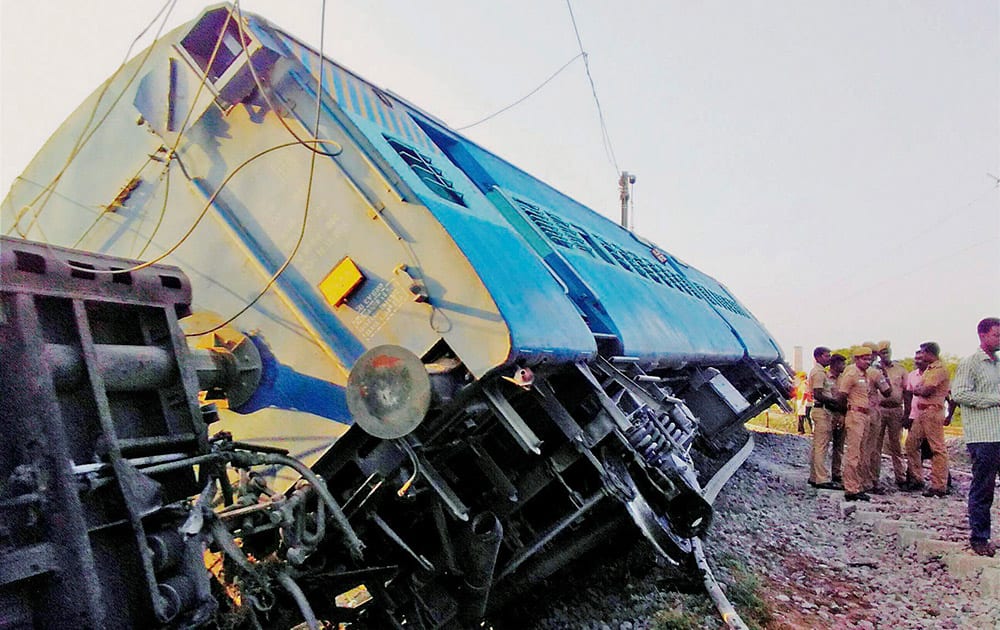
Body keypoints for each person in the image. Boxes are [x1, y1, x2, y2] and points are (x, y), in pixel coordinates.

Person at [951, 317, 1000, 557]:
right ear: (982, 335)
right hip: (983, 435)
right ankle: (979, 538)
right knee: (983, 488)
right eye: (996, 335)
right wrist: (993, 400)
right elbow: (959, 393)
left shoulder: (998, 364)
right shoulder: (970, 363)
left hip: (999, 433)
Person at [837, 346, 890, 501]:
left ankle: (857, 484)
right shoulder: (852, 373)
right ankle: (851, 488)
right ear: (856, 359)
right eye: (864, 359)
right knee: (853, 452)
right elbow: (842, 395)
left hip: (865, 415)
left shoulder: (866, 375)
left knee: (862, 451)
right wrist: (843, 415)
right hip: (855, 414)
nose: (868, 362)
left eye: (869, 359)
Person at [903, 342, 951, 497]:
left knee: (937, 448)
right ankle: (917, 478)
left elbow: (925, 390)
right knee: (911, 445)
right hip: (921, 412)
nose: (921, 356)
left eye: (923, 353)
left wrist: (919, 390)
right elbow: (918, 389)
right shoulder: (929, 370)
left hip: (932, 411)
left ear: (930, 353)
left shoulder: (939, 369)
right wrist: (919, 390)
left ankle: (939, 485)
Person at [873, 341, 909, 489]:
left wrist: (907, 412)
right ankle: (873, 478)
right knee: (876, 445)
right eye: (882, 352)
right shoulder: (874, 370)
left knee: (896, 445)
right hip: (879, 409)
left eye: (887, 352)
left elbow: (907, 392)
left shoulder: (901, 370)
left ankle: (901, 477)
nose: (885, 355)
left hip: (896, 409)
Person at [859, 341, 892, 494]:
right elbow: (887, 392)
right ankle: (870, 480)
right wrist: (886, 375)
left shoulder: (852, 370)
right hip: (872, 413)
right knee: (872, 448)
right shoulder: (875, 372)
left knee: (859, 448)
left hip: (857, 413)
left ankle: (857, 479)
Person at [807, 347, 840, 489]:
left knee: (817, 446)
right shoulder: (819, 373)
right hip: (822, 410)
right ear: (819, 357)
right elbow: (818, 393)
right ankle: (821, 479)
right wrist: (834, 402)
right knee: (821, 446)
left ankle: (814, 476)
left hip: (820, 409)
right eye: (827, 356)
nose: (829, 358)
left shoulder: (818, 371)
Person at [828, 354, 848, 484]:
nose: (844, 367)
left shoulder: (844, 379)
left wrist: (842, 414)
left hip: (841, 414)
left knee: (839, 446)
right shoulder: (825, 377)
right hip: (828, 413)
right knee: (823, 445)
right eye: (841, 364)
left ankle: (836, 473)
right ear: (834, 364)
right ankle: (820, 475)